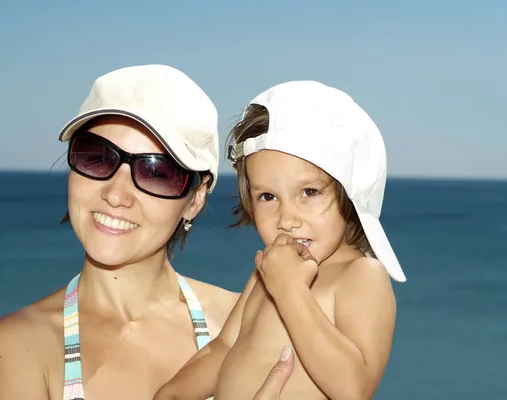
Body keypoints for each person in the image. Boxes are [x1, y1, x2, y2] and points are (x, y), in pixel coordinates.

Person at [0, 64, 244, 399]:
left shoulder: (241, 325)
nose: (115, 194)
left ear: (195, 199)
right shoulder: (20, 345)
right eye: (96, 157)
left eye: (156, 171)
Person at [154, 80, 407, 400]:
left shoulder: (360, 275)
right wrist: (172, 394)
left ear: (349, 191)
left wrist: (290, 290)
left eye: (309, 192)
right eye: (268, 196)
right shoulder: (267, 271)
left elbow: (354, 387)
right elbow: (225, 347)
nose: (287, 219)